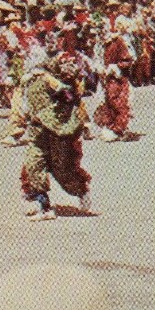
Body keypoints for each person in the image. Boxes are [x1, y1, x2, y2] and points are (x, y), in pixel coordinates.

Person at [20, 53, 93, 221]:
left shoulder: (53, 80)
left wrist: (63, 89)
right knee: (33, 165)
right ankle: (43, 206)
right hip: (37, 132)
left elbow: (70, 99)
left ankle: (81, 191)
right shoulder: (29, 81)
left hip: (56, 132)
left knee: (63, 169)